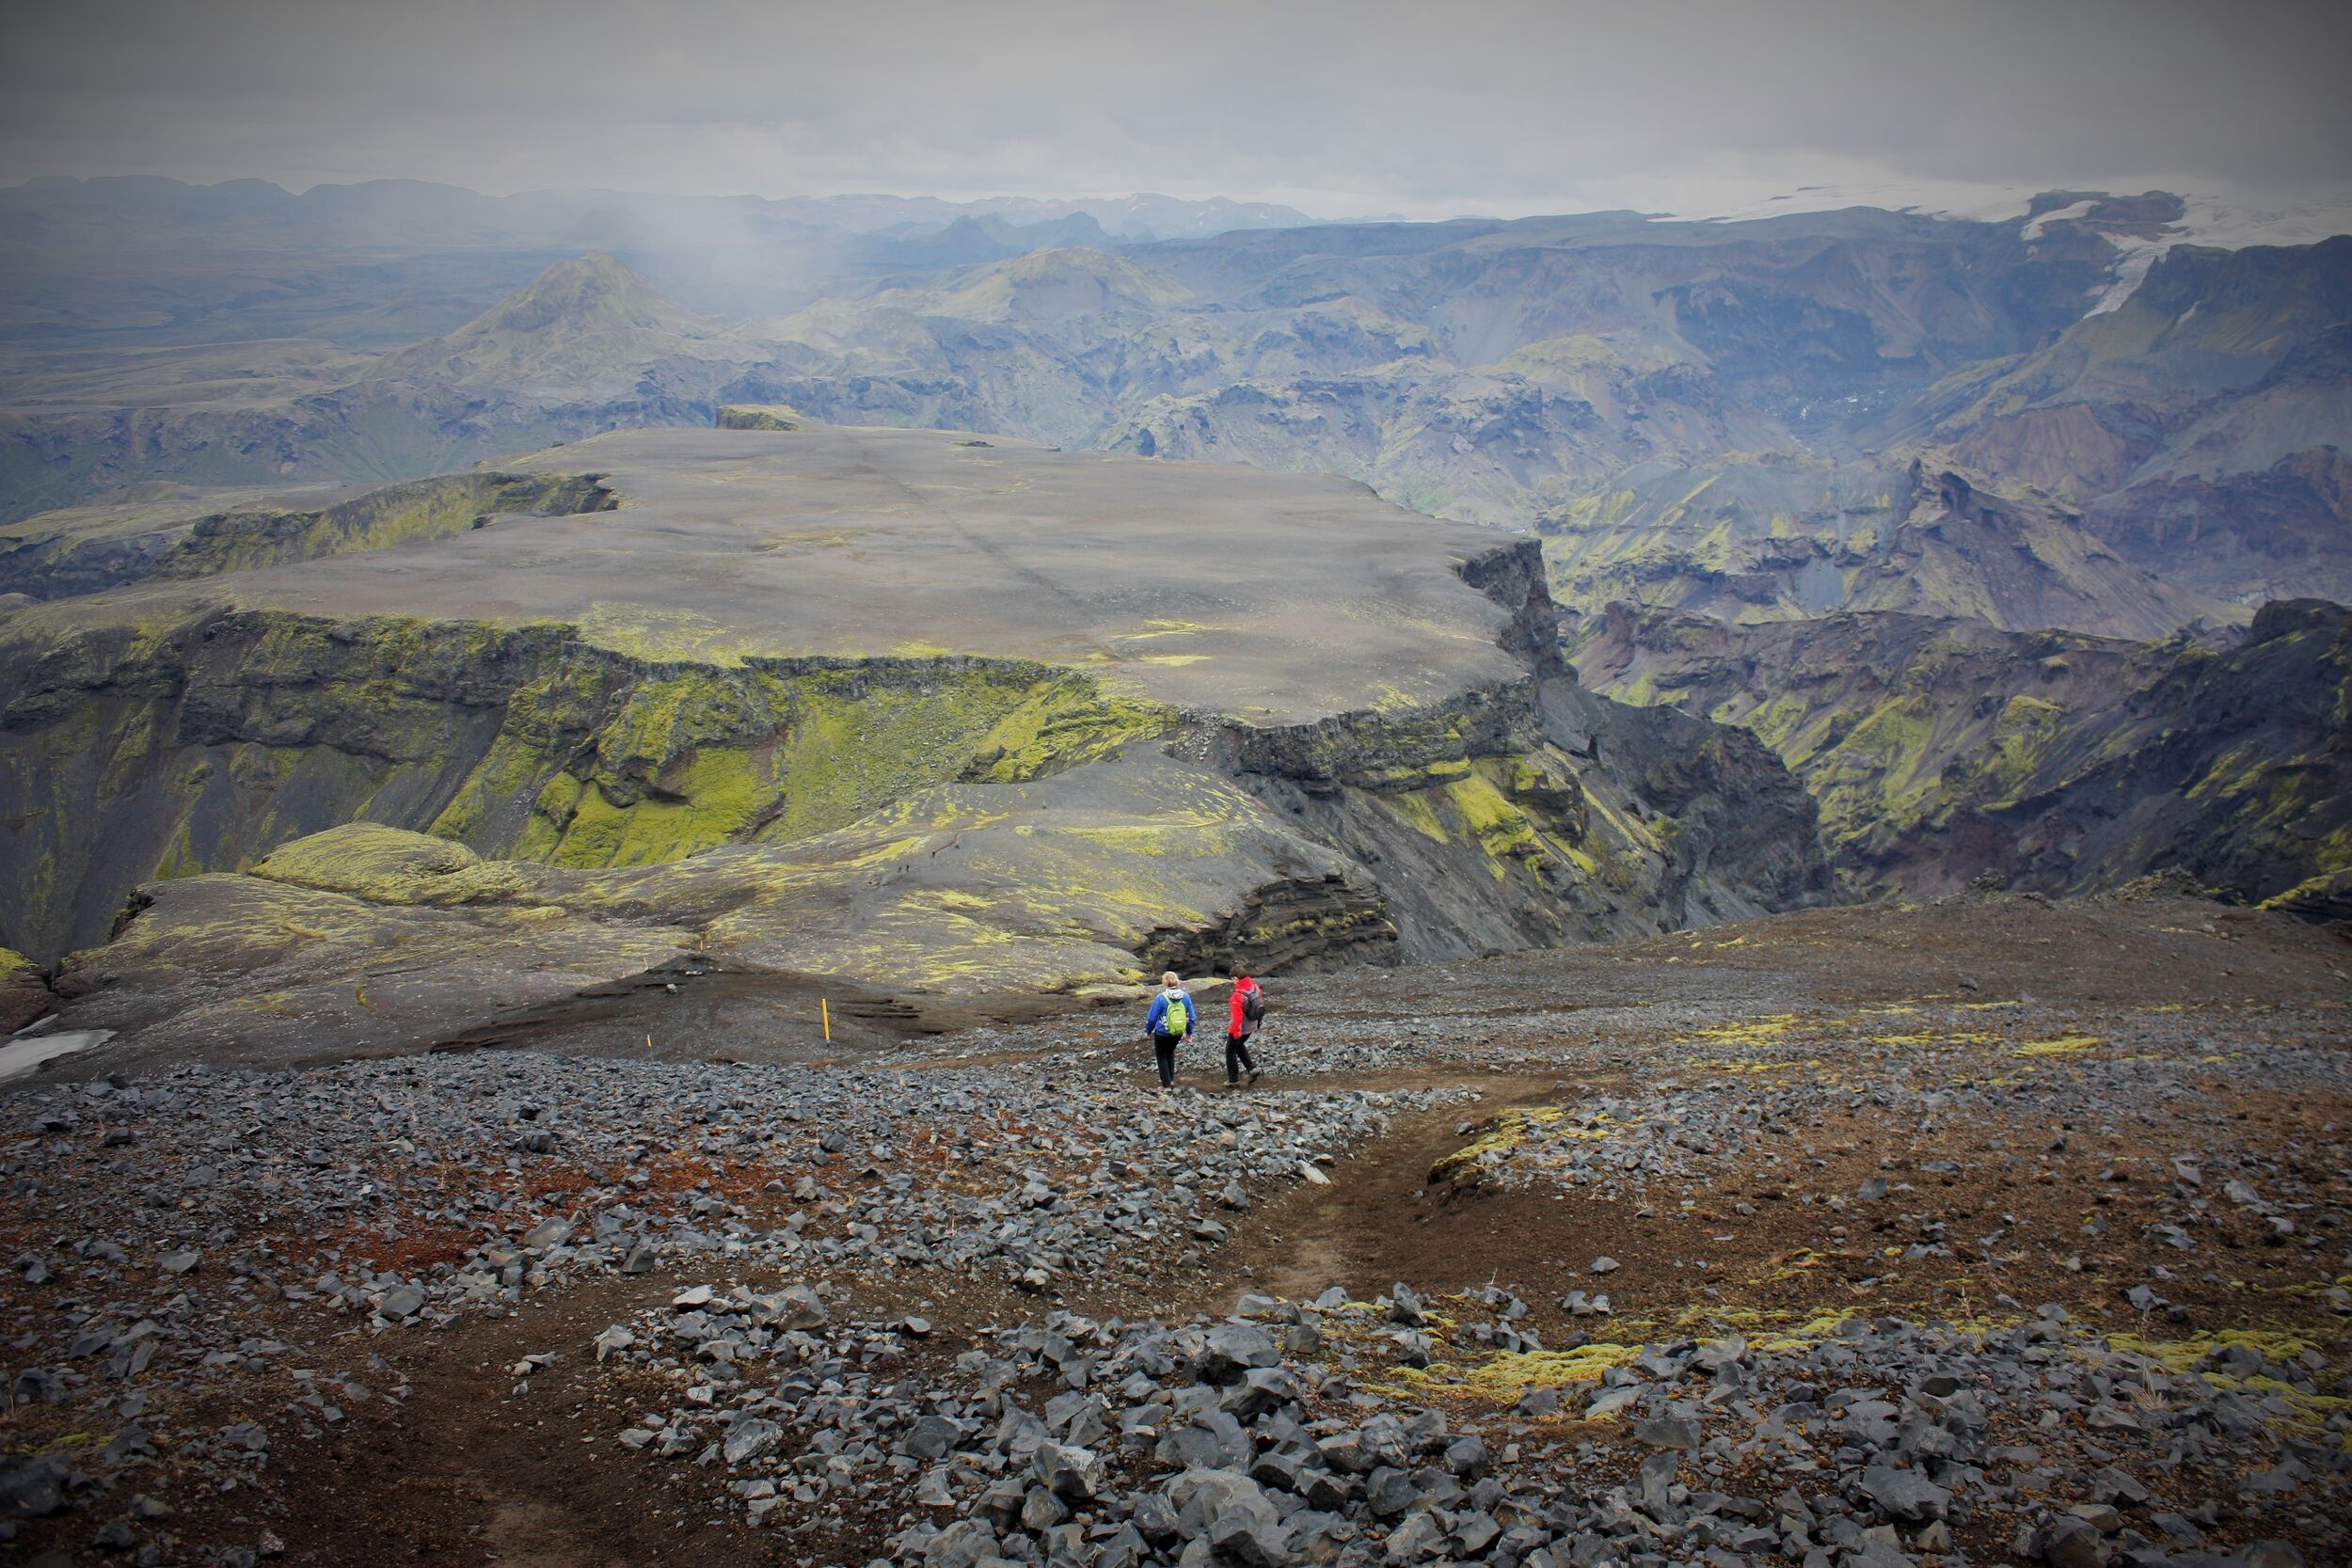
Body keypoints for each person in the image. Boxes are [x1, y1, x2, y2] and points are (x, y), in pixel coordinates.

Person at [1143, 971, 1196, 1091]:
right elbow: (1192, 1017)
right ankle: (1171, 1080)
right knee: (1170, 1052)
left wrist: (1148, 1031)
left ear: (1164, 982)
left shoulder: (1161, 998)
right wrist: (1189, 1033)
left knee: (1161, 1056)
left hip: (1162, 1032)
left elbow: (1152, 1018)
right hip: (1177, 1032)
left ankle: (1166, 1085)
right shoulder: (1186, 996)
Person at [1225, 964, 1264, 1086]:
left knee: (1230, 1050)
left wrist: (1235, 1033)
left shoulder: (1237, 995)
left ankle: (1233, 1080)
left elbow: (1237, 1019)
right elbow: (1260, 1004)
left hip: (1241, 1028)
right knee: (1240, 1045)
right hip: (1253, 1025)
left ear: (1236, 978)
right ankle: (1252, 1069)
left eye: (1232, 979)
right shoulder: (1255, 987)